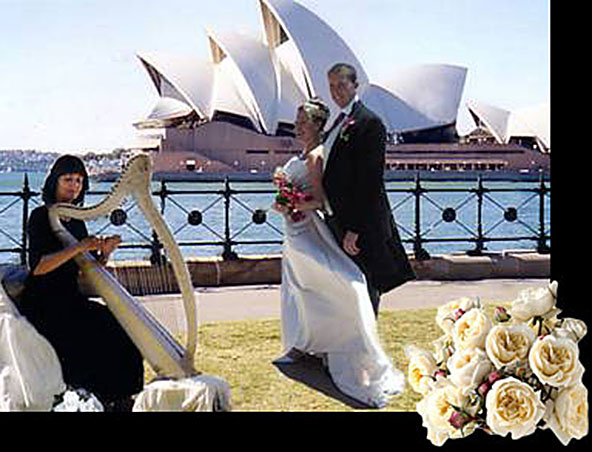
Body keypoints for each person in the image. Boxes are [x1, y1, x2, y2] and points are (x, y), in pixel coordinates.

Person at [272, 98, 405, 408]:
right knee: (299, 291)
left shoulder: (317, 156)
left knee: (326, 287)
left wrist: (291, 203)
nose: (298, 125)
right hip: (294, 232)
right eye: (297, 119)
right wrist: (284, 202)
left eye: (304, 121)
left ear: (319, 125)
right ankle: (302, 345)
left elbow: (318, 200)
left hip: (306, 231)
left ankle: (339, 346)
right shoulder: (303, 154)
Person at [18, 155, 144, 411]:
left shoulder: (76, 221)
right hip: (43, 302)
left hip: (69, 298)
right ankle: (98, 397)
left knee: (121, 328)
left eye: (78, 181)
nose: (74, 186)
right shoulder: (40, 217)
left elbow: (87, 268)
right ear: (54, 181)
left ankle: (120, 398)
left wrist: (104, 253)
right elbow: (39, 267)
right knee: (89, 336)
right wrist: (79, 246)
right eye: (68, 180)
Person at [322, 62, 416, 316]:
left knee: (366, 283)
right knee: (348, 285)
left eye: (342, 84)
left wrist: (355, 228)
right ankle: (353, 343)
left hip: (358, 223)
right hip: (336, 219)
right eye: (331, 85)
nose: (336, 91)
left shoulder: (369, 122)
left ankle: (367, 346)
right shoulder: (337, 123)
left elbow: (370, 181)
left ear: (356, 85)